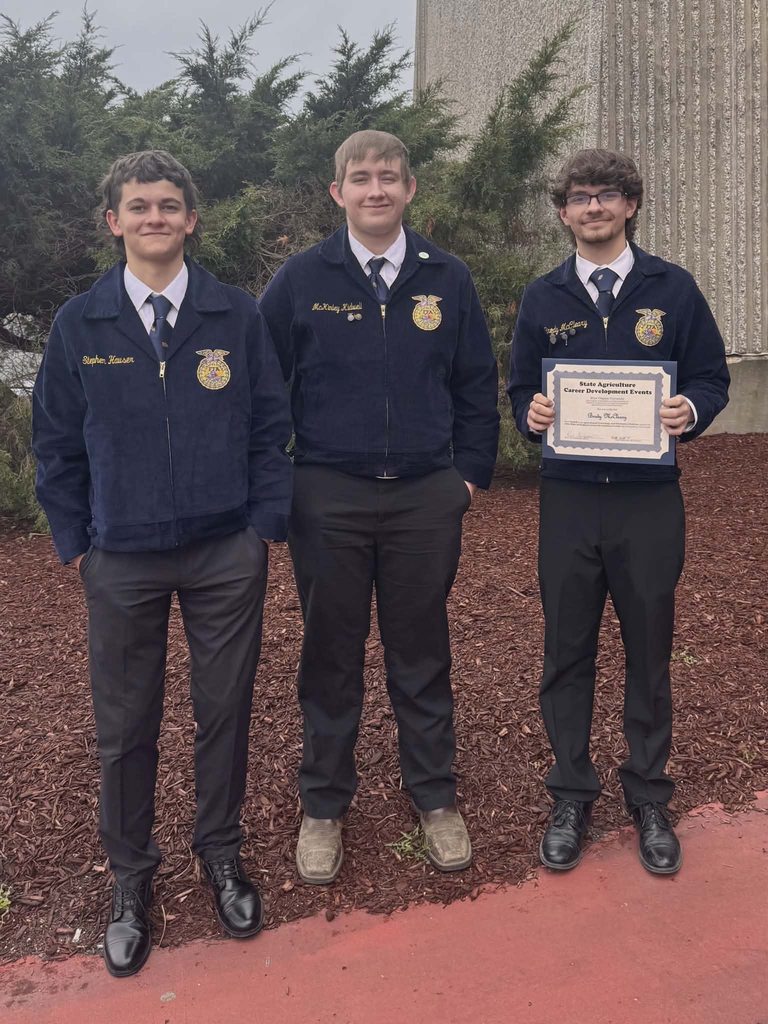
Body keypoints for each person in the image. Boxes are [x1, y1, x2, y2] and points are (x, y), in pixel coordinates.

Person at [32, 150, 292, 976]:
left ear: (191, 219)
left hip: (224, 552)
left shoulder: (235, 315)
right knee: (125, 726)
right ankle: (132, 879)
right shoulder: (82, 323)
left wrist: (261, 527)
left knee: (224, 713)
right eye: (138, 207)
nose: (154, 219)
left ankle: (220, 853)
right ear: (114, 222)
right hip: (122, 556)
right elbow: (55, 441)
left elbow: (268, 426)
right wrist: (77, 540)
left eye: (168, 206)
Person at [259, 130, 499, 884]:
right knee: (330, 656)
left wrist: (466, 479)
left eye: (388, 177)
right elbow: (264, 392)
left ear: (410, 189)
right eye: (359, 178)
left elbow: (476, 386)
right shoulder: (301, 278)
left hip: (426, 499)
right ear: (336, 193)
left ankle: (434, 796)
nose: (375, 189)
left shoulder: (447, 278)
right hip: (327, 496)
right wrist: (285, 485)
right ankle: (324, 804)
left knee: (421, 652)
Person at [507, 148, 729, 875]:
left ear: (630, 205)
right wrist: (532, 413)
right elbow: (516, 392)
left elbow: (711, 377)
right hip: (570, 502)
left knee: (649, 651)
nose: (593, 206)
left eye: (606, 195)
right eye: (579, 197)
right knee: (566, 652)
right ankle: (571, 791)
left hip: (647, 504)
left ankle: (649, 794)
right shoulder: (544, 297)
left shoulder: (674, 288)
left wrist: (688, 408)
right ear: (564, 212)